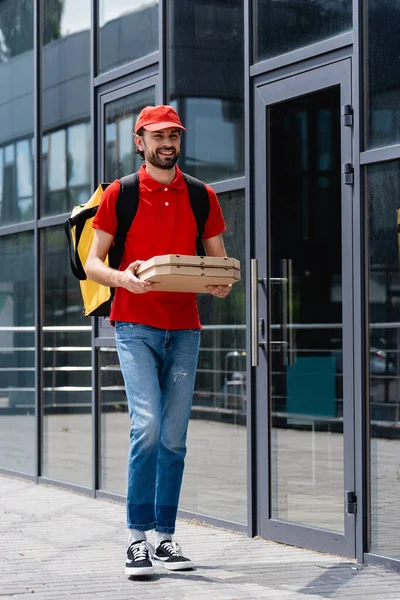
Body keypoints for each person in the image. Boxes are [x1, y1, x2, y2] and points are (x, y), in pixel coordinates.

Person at [85, 105, 231, 577]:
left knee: (173, 437)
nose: (168, 143)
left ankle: (165, 537)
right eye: (159, 135)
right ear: (139, 141)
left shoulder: (202, 195)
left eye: (175, 135)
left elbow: (218, 264)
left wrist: (220, 283)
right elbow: (93, 263)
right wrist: (123, 281)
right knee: (146, 428)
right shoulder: (120, 195)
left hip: (185, 329)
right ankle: (136, 538)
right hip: (134, 326)